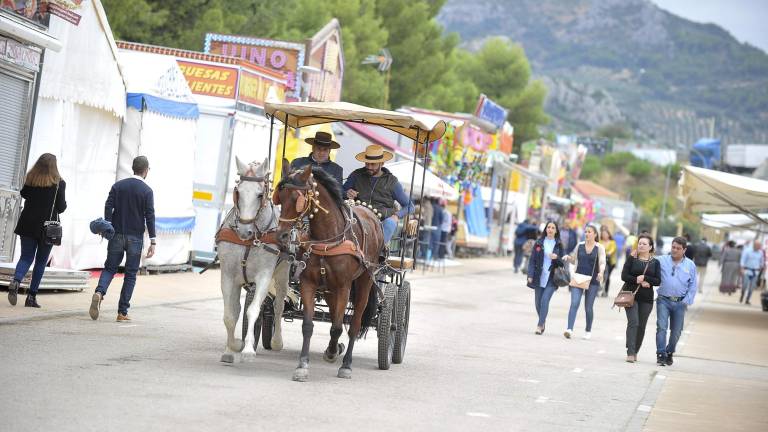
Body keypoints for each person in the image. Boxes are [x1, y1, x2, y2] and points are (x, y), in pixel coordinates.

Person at [89, 156, 156, 322]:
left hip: (116, 234)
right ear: (146, 170)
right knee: (131, 274)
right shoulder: (147, 191)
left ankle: (99, 292)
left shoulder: (118, 186)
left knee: (110, 268)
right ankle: (122, 312)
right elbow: (150, 216)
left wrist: (108, 225)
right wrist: (153, 241)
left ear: (133, 168)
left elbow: (108, 205)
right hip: (135, 237)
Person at [7, 153, 67, 308]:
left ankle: (16, 280)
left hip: (27, 224)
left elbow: (23, 194)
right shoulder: (59, 183)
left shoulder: (31, 179)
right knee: (41, 261)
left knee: (26, 257)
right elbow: (61, 207)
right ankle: (31, 297)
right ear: (54, 166)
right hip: (47, 228)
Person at [343, 145, 414, 244]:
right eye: (367, 163)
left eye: (373, 164)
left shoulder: (392, 182)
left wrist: (397, 216)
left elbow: (410, 206)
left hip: (381, 221)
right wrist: (346, 193)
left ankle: (379, 254)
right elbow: (340, 191)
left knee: (390, 223)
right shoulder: (356, 175)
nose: (369, 167)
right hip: (356, 218)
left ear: (382, 163)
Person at [656, 237, 698, 366]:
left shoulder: (690, 265)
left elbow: (693, 284)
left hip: (680, 303)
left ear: (684, 250)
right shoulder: (661, 260)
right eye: (673, 247)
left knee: (676, 332)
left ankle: (669, 352)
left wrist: (686, 301)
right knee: (662, 328)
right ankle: (661, 354)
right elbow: (648, 260)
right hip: (663, 300)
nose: (674, 250)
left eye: (678, 248)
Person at [621, 234, 661, 363]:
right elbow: (624, 276)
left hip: (646, 298)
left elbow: (658, 280)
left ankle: (636, 350)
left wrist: (646, 279)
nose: (641, 245)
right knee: (633, 322)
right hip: (630, 295)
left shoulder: (655, 262)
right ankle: (630, 352)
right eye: (639, 243)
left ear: (650, 247)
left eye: (644, 244)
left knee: (641, 325)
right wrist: (636, 280)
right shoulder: (632, 258)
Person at [563, 225, 605, 340]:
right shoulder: (580, 245)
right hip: (578, 278)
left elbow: (602, 262)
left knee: (588, 307)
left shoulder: (599, 247)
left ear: (595, 234)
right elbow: (574, 259)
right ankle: (569, 329)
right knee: (574, 303)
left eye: (589, 232)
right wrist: (568, 257)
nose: (587, 234)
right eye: (586, 232)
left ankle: (588, 330)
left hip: (593, 281)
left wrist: (601, 272)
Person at [527, 221, 565, 335]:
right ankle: (543, 321)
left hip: (552, 278)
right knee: (538, 303)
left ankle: (539, 325)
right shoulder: (539, 242)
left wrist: (556, 257)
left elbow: (562, 263)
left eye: (553, 228)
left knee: (544, 300)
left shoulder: (559, 244)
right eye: (549, 227)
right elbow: (532, 260)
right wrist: (530, 275)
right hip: (539, 276)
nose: (550, 229)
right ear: (545, 229)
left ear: (556, 231)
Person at [740, 240, 765, 305]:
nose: (759, 247)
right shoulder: (747, 251)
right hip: (747, 270)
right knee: (745, 285)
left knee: (752, 287)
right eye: (758, 246)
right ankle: (742, 294)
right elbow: (742, 259)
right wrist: (742, 268)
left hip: (755, 272)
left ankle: (747, 299)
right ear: (754, 245)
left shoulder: (760, 252)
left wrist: (762, 266)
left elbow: (761, 261)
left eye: (760, 246)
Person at [600, 226, 617, 297]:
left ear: (609, 235)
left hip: (610, 262)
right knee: (601, 276)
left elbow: (613, 249)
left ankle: (605, 291)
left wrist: (608, 253)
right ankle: (599, 289)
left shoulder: (612, 242)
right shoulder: (600, 242)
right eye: (603, 234)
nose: (604, 235)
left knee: (607, 276)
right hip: (601, 261)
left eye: (606, 234)